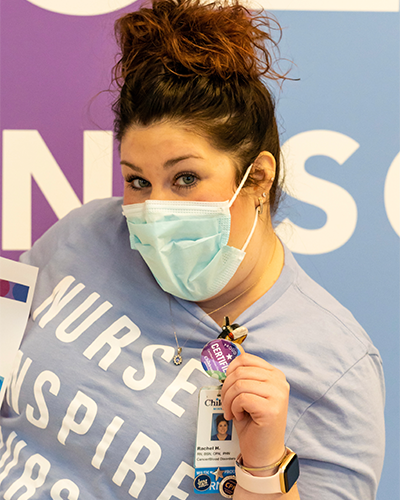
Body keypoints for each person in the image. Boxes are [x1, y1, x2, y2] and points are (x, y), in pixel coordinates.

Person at [0, 0, 384, 499]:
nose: (154, 209)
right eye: (138, 180)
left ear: (258, 178)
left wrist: (264, 469)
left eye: (185, 178)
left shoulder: (333, 365)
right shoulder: (86, 234)